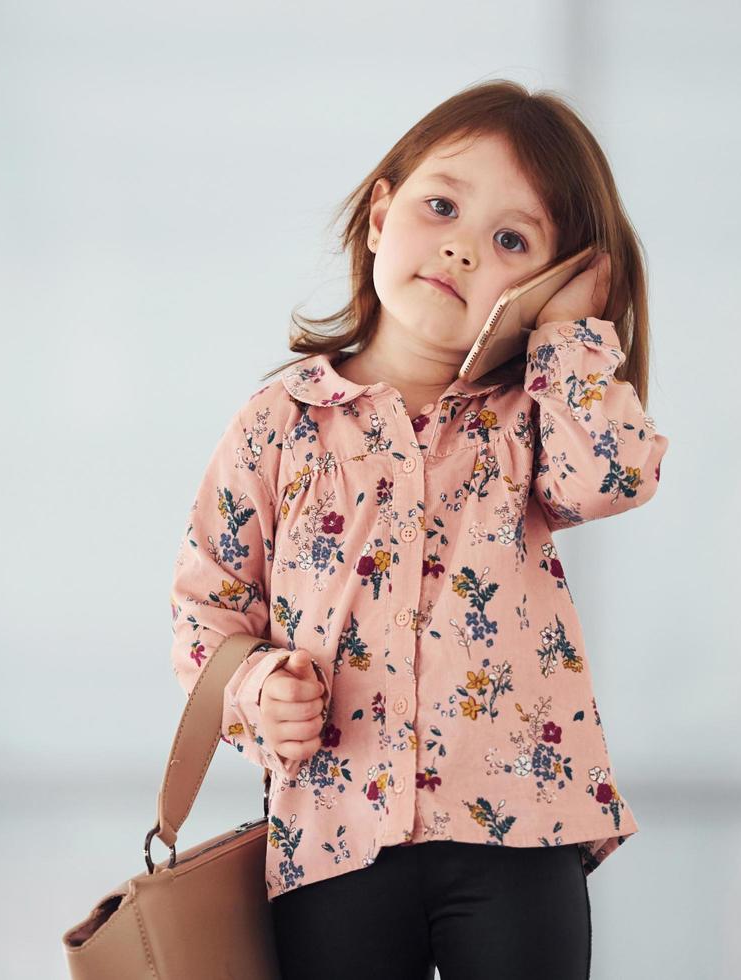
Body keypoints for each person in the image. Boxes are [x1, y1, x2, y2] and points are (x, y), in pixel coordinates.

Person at [167, 78, 669, 979]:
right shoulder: (281, 421)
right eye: (442, 206)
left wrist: (575, 335)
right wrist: (257, 690)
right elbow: (205, 611)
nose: (463, 249)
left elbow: (613, 476)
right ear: (379, 215)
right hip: (333, 836)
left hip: (523, 825)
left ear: (548, 285)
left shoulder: (535, 417)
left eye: (511, 241)